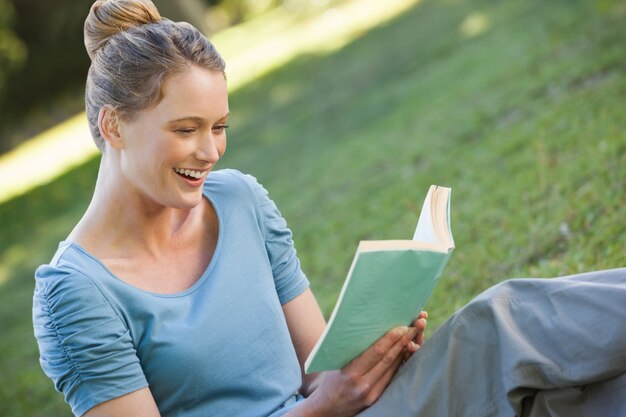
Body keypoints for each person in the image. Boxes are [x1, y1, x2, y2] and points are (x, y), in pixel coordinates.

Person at [32, 1, 626, 416]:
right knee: (499, 323)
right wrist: (322, 410)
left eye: (219, 126)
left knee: (565, 396)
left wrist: (369, 357)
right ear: (114, 125)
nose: (209, 151)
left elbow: (318, 369)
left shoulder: (238, 200)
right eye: (186, 129)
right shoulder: (76, 295)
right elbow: (321, 400)